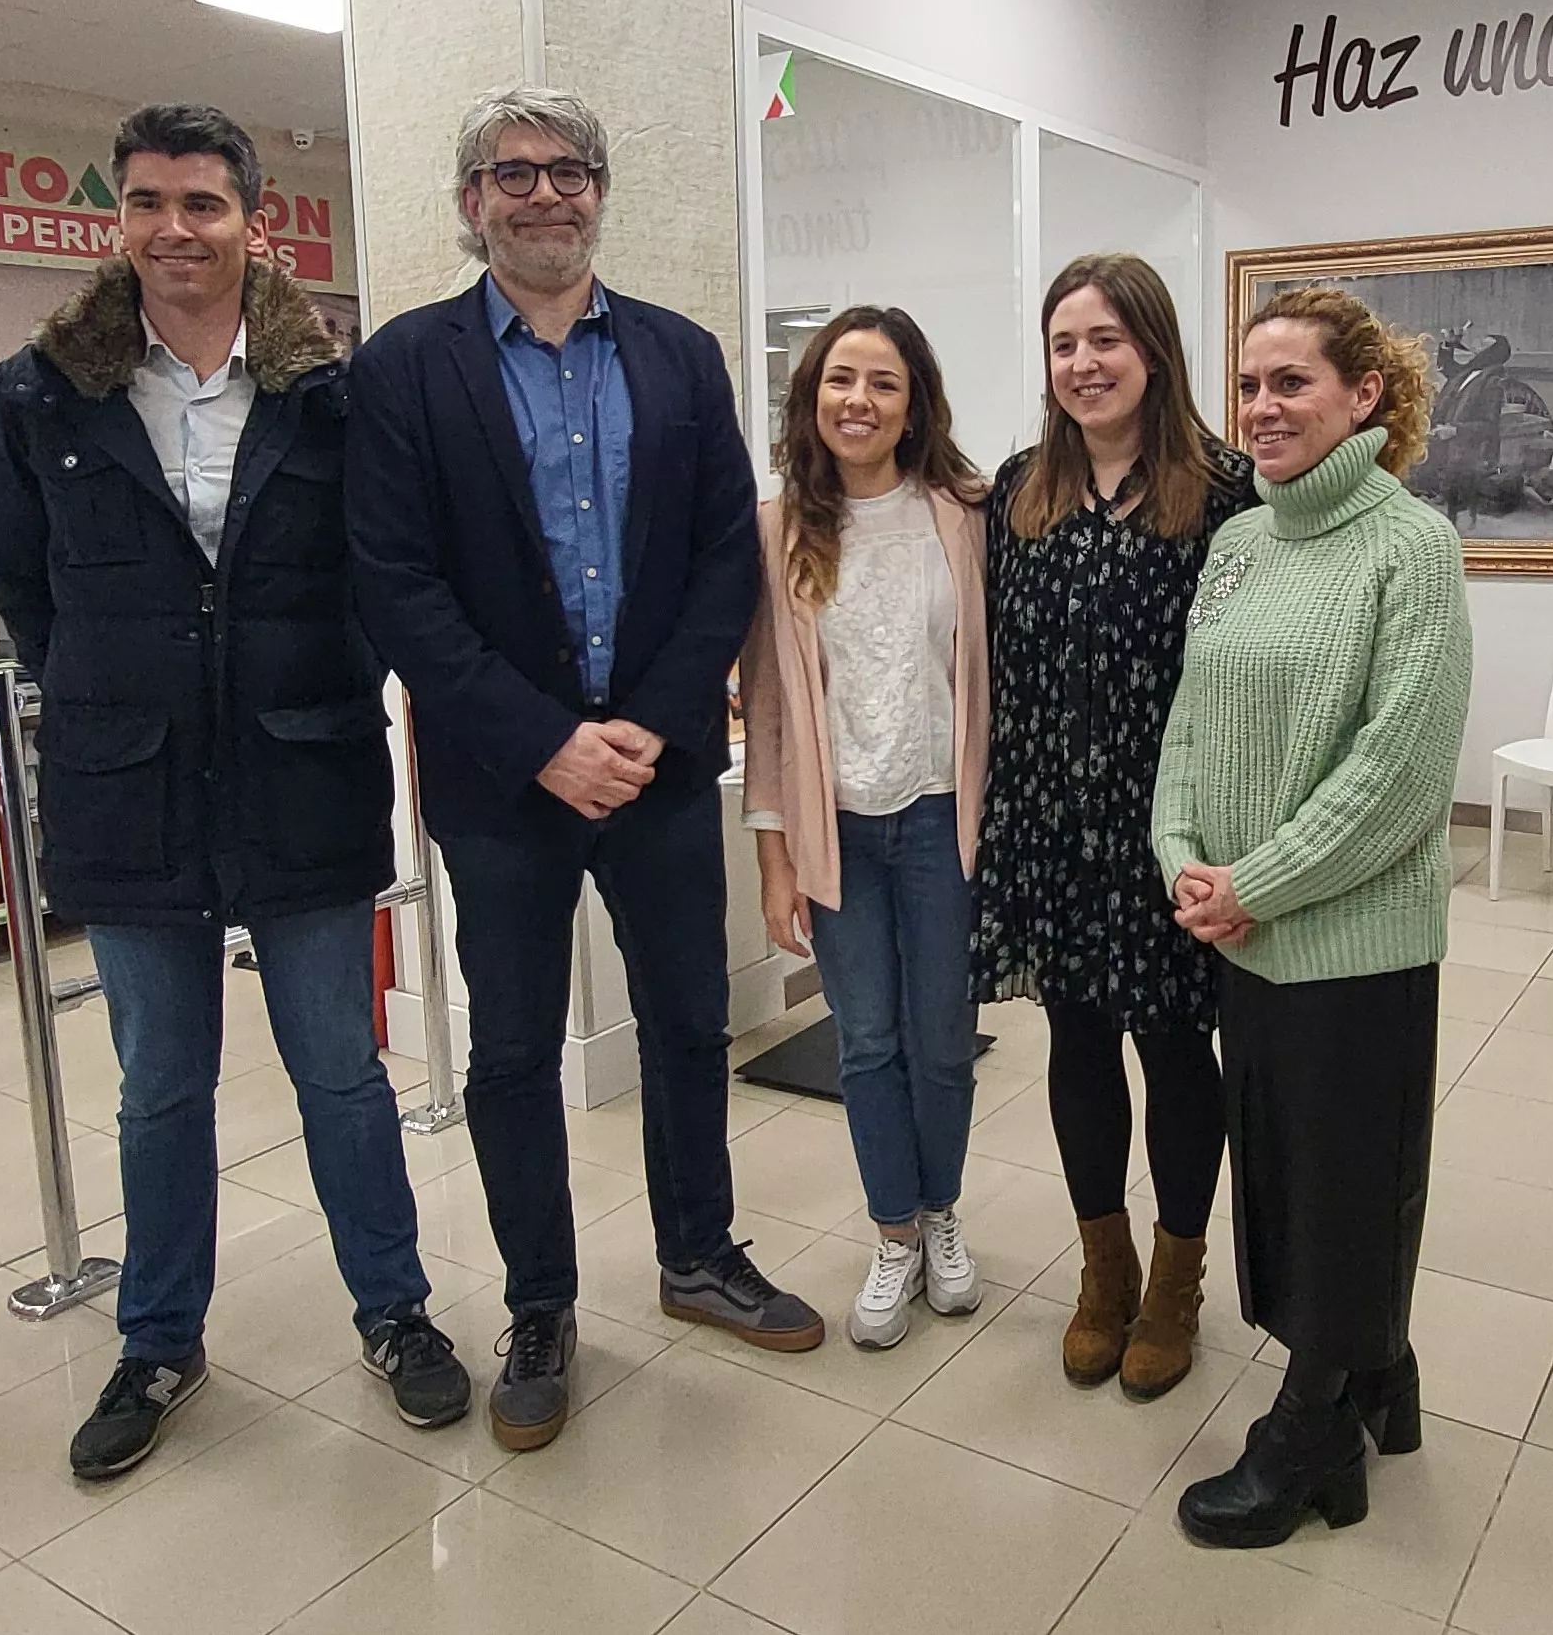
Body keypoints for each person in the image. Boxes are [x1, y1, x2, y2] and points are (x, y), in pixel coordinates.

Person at [0, 103, 465, 1481]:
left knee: (343, 1073)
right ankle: (158, 1340)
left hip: (301, 771)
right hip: (126, 787)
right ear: (117, 217)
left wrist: (311, 685)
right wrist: (124, 690)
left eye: (202, 203)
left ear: (258, 222)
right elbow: (31, 597)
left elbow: (379, 576)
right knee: (160, 1086)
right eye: (148, 202)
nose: (173, 230)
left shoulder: (331, 390)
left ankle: (398, 1313)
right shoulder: (39, 393)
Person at [347, 86, 821, 1451]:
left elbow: (726, 551)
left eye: (569, 171)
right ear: (471, 202)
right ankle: (542, 1306)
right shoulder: (407, 368)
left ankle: (697, 1255)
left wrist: (655, 727)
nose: (544, 194)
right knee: (510, 1053)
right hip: (503, 782)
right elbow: (396, 582)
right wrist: (544, 739)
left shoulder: (680, 357)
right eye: (514, 174)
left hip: (660, 765)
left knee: (685, 1021)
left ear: (601, 193)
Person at [1153, 285, 1472, 1549]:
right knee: (1282, 1176)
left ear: (1363, 400)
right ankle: (1377, 1372)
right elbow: (1188, 718)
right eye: (1250, 384)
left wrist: (1257, 883)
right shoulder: (1239, 544)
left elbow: (1398, 773)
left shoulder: (1413, 547)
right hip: (1243, 932)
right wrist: (1183, 855)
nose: (1263, 407)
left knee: (1349, 1184)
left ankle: (1313, 1432)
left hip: (1352, 941)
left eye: (1291, 383)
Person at [971, 255, 1253, 1400]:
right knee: (1077, 1042)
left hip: (1170, 827)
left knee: (1179, 1049)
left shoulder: (1228, 492)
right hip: (1047, 818)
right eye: (1063, 345)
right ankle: (1104, 1270)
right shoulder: (1014, 490)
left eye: (1104, 341)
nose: (1083, 364)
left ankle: (1178, 1282)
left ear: (1153, 350)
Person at [742, 307, 989, 1350]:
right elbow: (762, 706)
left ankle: (942, 1215)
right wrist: (772, 857)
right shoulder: (777, 528)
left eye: (882, 383)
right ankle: (892, 1231)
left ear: (913, 403)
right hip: (835, 828)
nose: (859, 400)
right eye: (840, 380)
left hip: (940, 822)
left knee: (941, 1042)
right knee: (867, 1041)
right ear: (810, 400)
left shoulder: (965, 516)